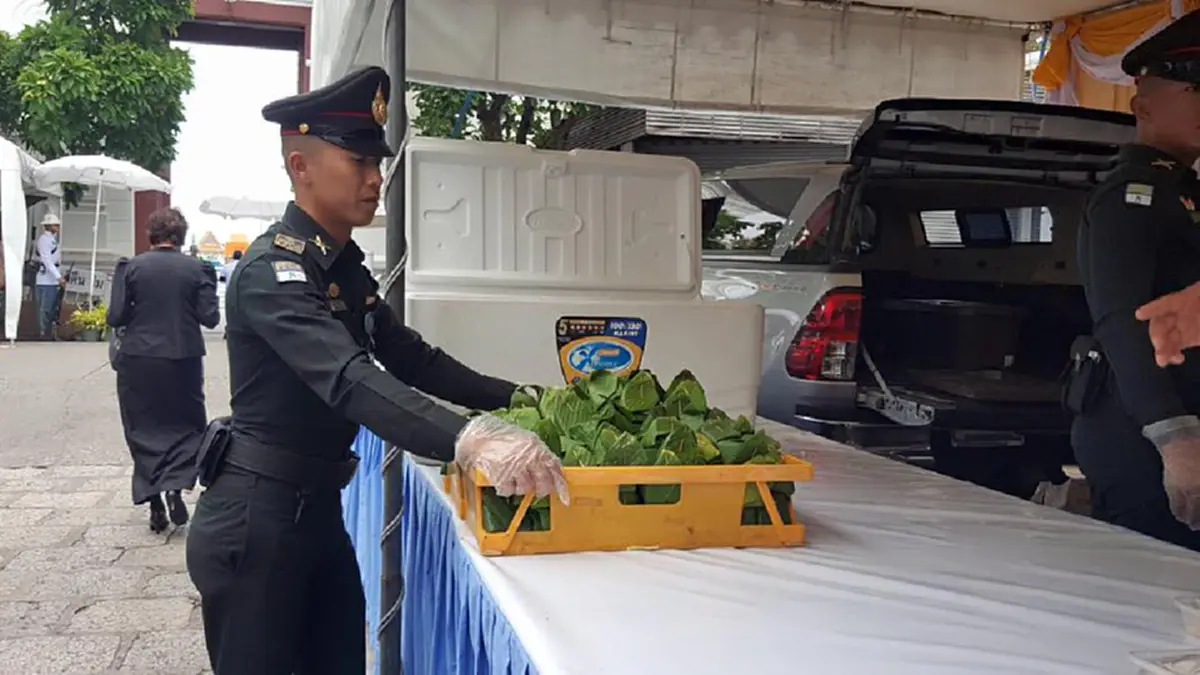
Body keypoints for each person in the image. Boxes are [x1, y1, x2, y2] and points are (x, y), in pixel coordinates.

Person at [185, 66, 568, 675]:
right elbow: (347, 378)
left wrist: (528, 399)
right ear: (300, 166)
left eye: (379, 164)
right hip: (258, 520)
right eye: (359, 161)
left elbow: (414, 360)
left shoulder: (343, 268)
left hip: (316, 513)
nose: (375, 179)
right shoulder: (273, 273)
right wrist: (467, 439)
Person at [1070, 8, 1200, 551]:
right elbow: (1123, 321)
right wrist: (1177, 439)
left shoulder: (1180, 193)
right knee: (1152, 588)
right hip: (1142, 426)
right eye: (1195, 91)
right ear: (1141, 105)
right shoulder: (1133, 196)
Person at [107, 207, 221, 532]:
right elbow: (210, 317)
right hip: (183, 358)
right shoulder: (198, 269)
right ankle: (174, 488)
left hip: (138, 358)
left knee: (142, 426)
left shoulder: (130, 267)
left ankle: (154, 500)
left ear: (150, 236)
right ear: (181, 237)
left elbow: (115, 316)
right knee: (184, 424)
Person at [34, 212, 66, 340]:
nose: (58, 227)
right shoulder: (44, 240)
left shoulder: (54, 239)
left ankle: (51, 333)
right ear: (49, 226)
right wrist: (59, 277)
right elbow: (47, 260)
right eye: (55, 225)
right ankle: (43, 333)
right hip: (45, 279)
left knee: (53, 307)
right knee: (45, 308)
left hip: (53, 278)